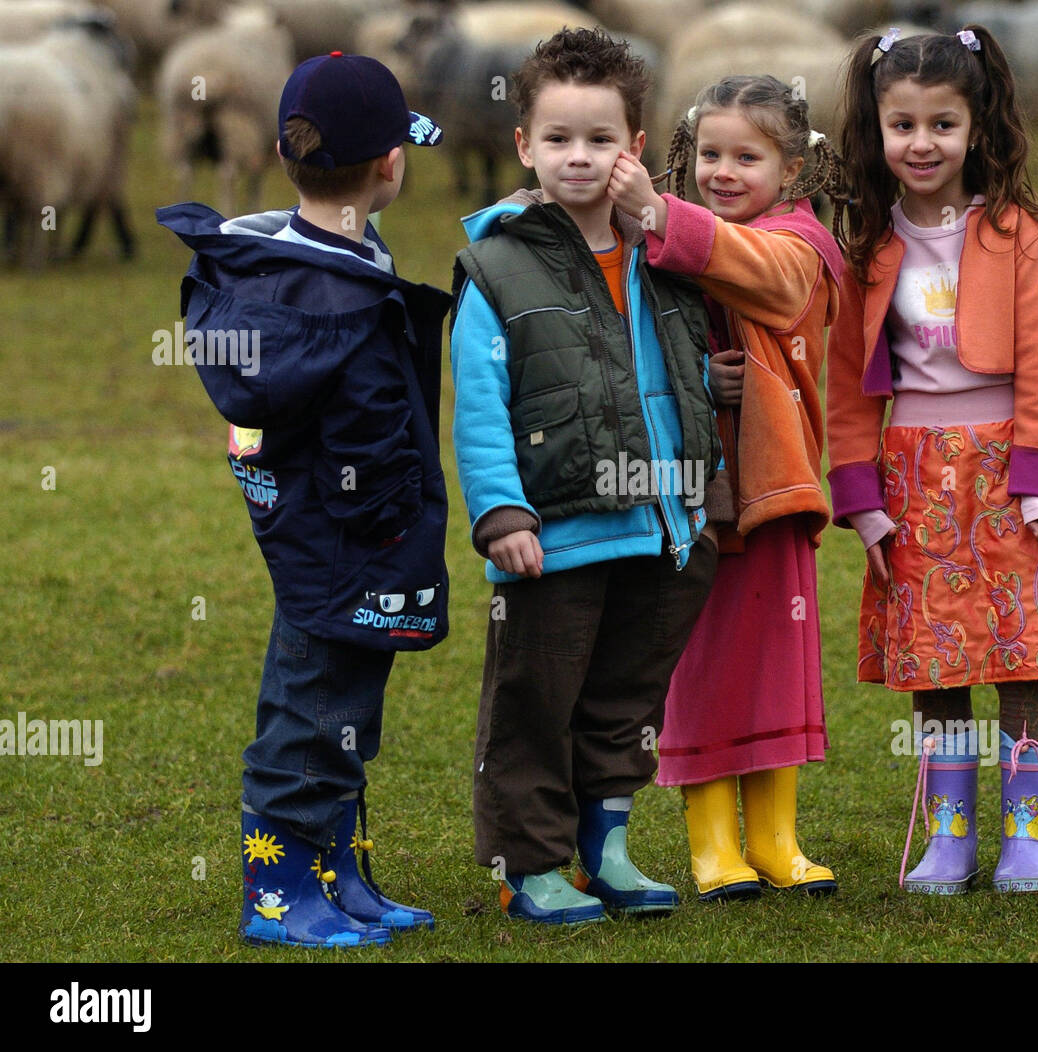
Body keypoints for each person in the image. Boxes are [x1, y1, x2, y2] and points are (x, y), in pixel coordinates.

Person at [157, 52, 451, 945]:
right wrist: (392, 525)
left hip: (318, 532)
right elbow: (370, 433)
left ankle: (336, 873)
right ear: (390, 165)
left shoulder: (298, 267)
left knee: (344, 713)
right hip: (350, 541)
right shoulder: (341, 296)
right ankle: (277, 894)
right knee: (311, 718)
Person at [450, 27, 724, 925]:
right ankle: (529, 863)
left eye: (601, 139)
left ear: (636, 150)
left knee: (622, 703)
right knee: (536, 703)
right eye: (558, 139)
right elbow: (481, 404)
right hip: (553, 533)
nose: (580, 157)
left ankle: (606, 847)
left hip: (663, 526)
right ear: (523, 144)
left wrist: (707, 473)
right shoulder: (496, 265)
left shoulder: (667, 253)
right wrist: (500, 514)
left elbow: (678, 369)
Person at [827, 27, 1038, 894]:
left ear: (978, 128)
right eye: (901, 124)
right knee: (938, 660)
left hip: (1009, 474)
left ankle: (1030, 839)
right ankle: (948, 841)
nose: (920, 143)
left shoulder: (1019, 234)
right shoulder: (865, 244)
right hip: (914, 476)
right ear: (876, 131)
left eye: (941, 124)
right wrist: (861, 498)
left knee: (1027, 655)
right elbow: (844, 385)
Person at [606, 74, 848, 900]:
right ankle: (714, 849)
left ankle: (777, 841)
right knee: (701, 664)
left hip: (774, 489)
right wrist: (700, 379)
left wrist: (660, 214)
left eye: (749, 155)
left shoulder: (802, 244)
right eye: (710, 153)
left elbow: (769, 281)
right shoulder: (667, 243)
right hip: (691, 494)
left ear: (793, 168)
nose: (723, 170)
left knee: (777, 664)